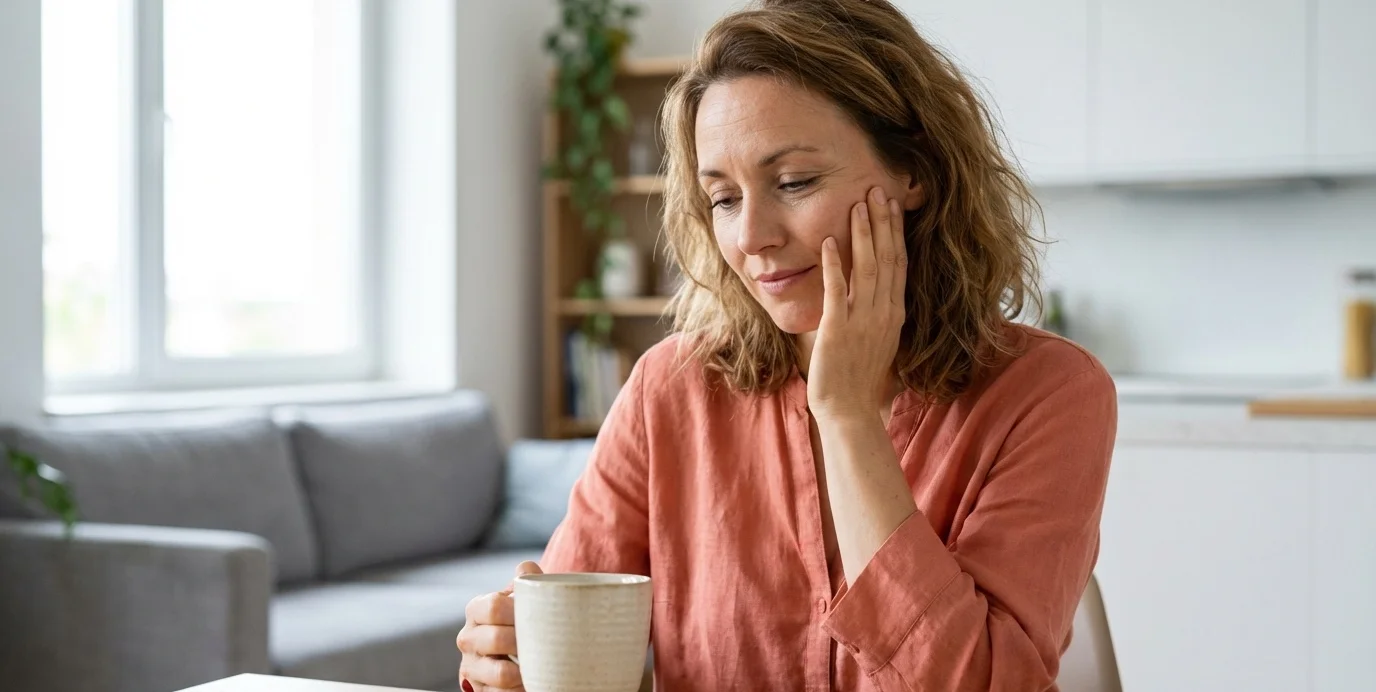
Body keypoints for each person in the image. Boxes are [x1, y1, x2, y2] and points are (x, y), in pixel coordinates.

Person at [457, 0, 1116, 689]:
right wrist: (505, 659)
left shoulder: (1048, 393)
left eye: (794, 182)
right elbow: (569, 640)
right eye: (723, 199)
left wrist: (848, 416)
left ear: (913, 171)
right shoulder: (670, 389)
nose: (751, 237)